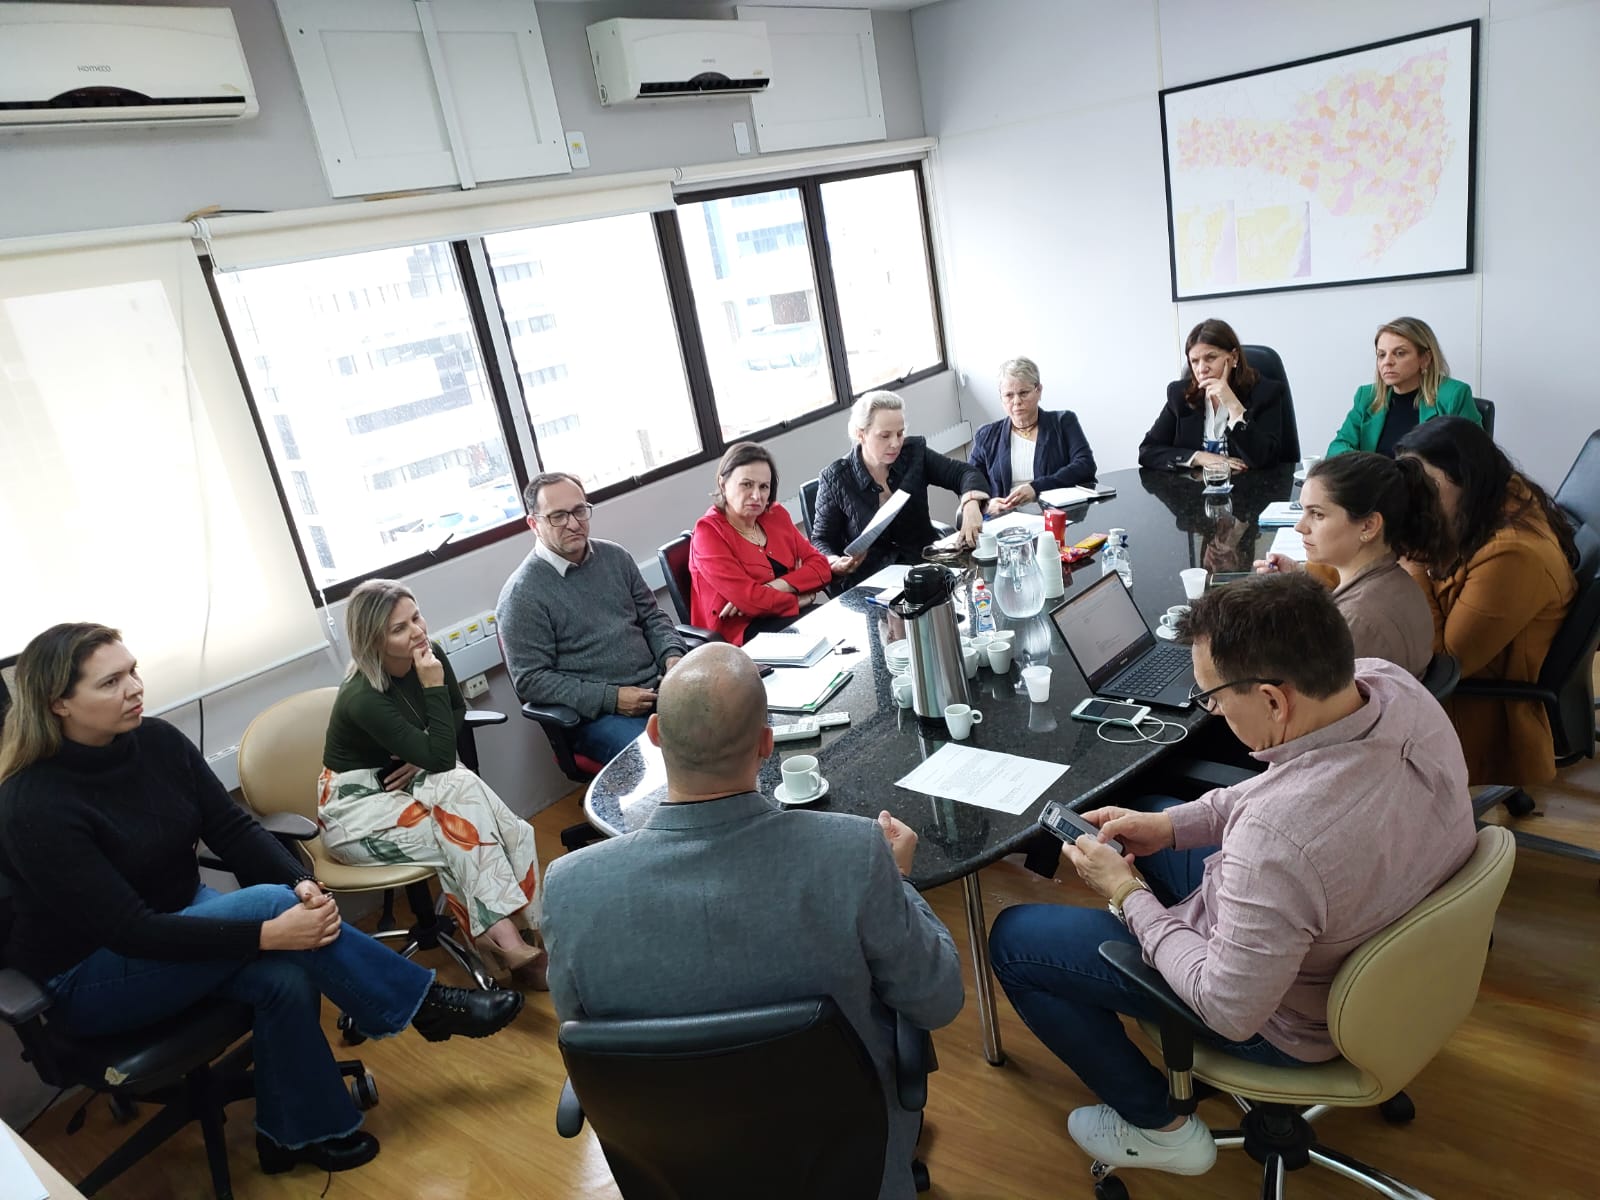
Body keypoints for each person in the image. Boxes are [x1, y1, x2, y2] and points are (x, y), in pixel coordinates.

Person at [988, 574, 1477, 1180]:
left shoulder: (1277, 843)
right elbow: (1280, 784)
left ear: (1274, 700)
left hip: (1279, 1023)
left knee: (1013, 940)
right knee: (1165, 810)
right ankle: (1164, 835)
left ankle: (1160, 1129)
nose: (1212, 710)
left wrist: (1127, 894)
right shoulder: (1389, 685)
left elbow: (1228, 1010)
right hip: (1375, 933)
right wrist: (1170, 828)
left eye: (1214, 698)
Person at [0, 625, 523, 1177]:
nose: (134, 687)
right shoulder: (33, 803)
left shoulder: (156, 742)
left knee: (285, 976)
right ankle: (427, 1006)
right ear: (58, 702)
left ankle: (297, 1134)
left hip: (179, 925)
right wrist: (267, 931)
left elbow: (230, 827)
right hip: (89, 975)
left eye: (132, 671)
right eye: (111, 682)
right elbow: (131, 930)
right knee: (271, 911)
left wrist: (303, 885)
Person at [541, 643, 965, 1200]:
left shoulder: (570, 887)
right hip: (847, 1153)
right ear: (766, 745)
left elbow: (590, 1041)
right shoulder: (852, 852)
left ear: (654, 735)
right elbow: (938, 999)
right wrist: (900, 881)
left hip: (678, 1161)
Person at [320, 580, 546, 986]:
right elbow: (442, 755)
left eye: (416, 616)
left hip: (412, 779)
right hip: (357, 807)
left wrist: (417, 752)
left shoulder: (430, 655)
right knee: (465, 831)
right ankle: (511, 940)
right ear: (373, 639)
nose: (419, 631)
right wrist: (429, 705)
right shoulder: (362, 696)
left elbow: (456, 716)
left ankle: (517, 936)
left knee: (482, 806)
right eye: (399, 628)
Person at [1396, 417, 1578, 784]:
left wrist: (1412, 562)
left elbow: (1447, 662)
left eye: (1426, 483)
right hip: (1461, 681)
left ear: (1464, 476)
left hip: (1477, 711)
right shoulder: (1481, 507)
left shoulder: (1513, 552)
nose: (1417, 497)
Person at [498, 471, 687, 765]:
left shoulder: (615, 557)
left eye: (578, 511)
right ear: (534, 524)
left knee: (731, 718)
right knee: (665, 760)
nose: (573, 524)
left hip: (660, 686)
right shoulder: (521, 594)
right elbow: (531, 681)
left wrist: (672, 657)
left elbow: (653, 617)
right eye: (557, 516)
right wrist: (611, 698)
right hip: (598, 715)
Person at [1253, 452, 1449, 677]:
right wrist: (1298, 581)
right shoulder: (1402, 585)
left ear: (1368, 526)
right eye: (1303, 511)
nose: (1300, 526)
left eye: (1317, 514)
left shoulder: (1354, 624)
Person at [811, 390, 990, 584]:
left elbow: (965, 473)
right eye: (885, 436)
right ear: (861, 434)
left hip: (925, 567)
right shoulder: (835, 479)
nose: (895, 443)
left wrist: (971, 503)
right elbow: (821, 540)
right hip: (872, 580)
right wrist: (833, 562)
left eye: (900, 433)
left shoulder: (914, 455)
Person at [689, 442, 832, 645]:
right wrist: (798, 598)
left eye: (764, 486)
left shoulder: (775, 514)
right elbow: (751, 600)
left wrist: (775, 586)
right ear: (723, 484)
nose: (757, 496)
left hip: (789, 619)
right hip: (742, 637)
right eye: (746, 484)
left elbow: (821, 567)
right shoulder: (708, 533)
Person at [1138, 319, 1286, 472]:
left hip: (1250, 490)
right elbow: (1147, 451)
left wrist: (1234, 406)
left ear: (1233, 358)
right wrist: (1198, 457)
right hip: (1194, 492)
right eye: (1195, 361)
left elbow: (1265, 460)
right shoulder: (1180, 395)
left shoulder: (1265, 393)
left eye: (1210, 358)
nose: (1202, 369)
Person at [1326, 318, 1482, 458]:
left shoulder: (1454, 395)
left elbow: (1476, 456)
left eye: (1399, 353)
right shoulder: (1367, 396)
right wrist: (1369, 468)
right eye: (1381, 355)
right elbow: (1337, 448)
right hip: (1375, 485)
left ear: (1425, 359)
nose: (1387, 362)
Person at [969, 356, 1097, 513]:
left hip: (1056, 516)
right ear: (1001, 397)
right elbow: (970, 482)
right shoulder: (986, 436)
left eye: (1023, 393)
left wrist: (1036, 488)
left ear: (1039, 391)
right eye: (1009, 395)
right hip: (1005, 522)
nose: (1016, 401)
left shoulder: (1063, 422)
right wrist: (987, 505)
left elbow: (1085, 465)